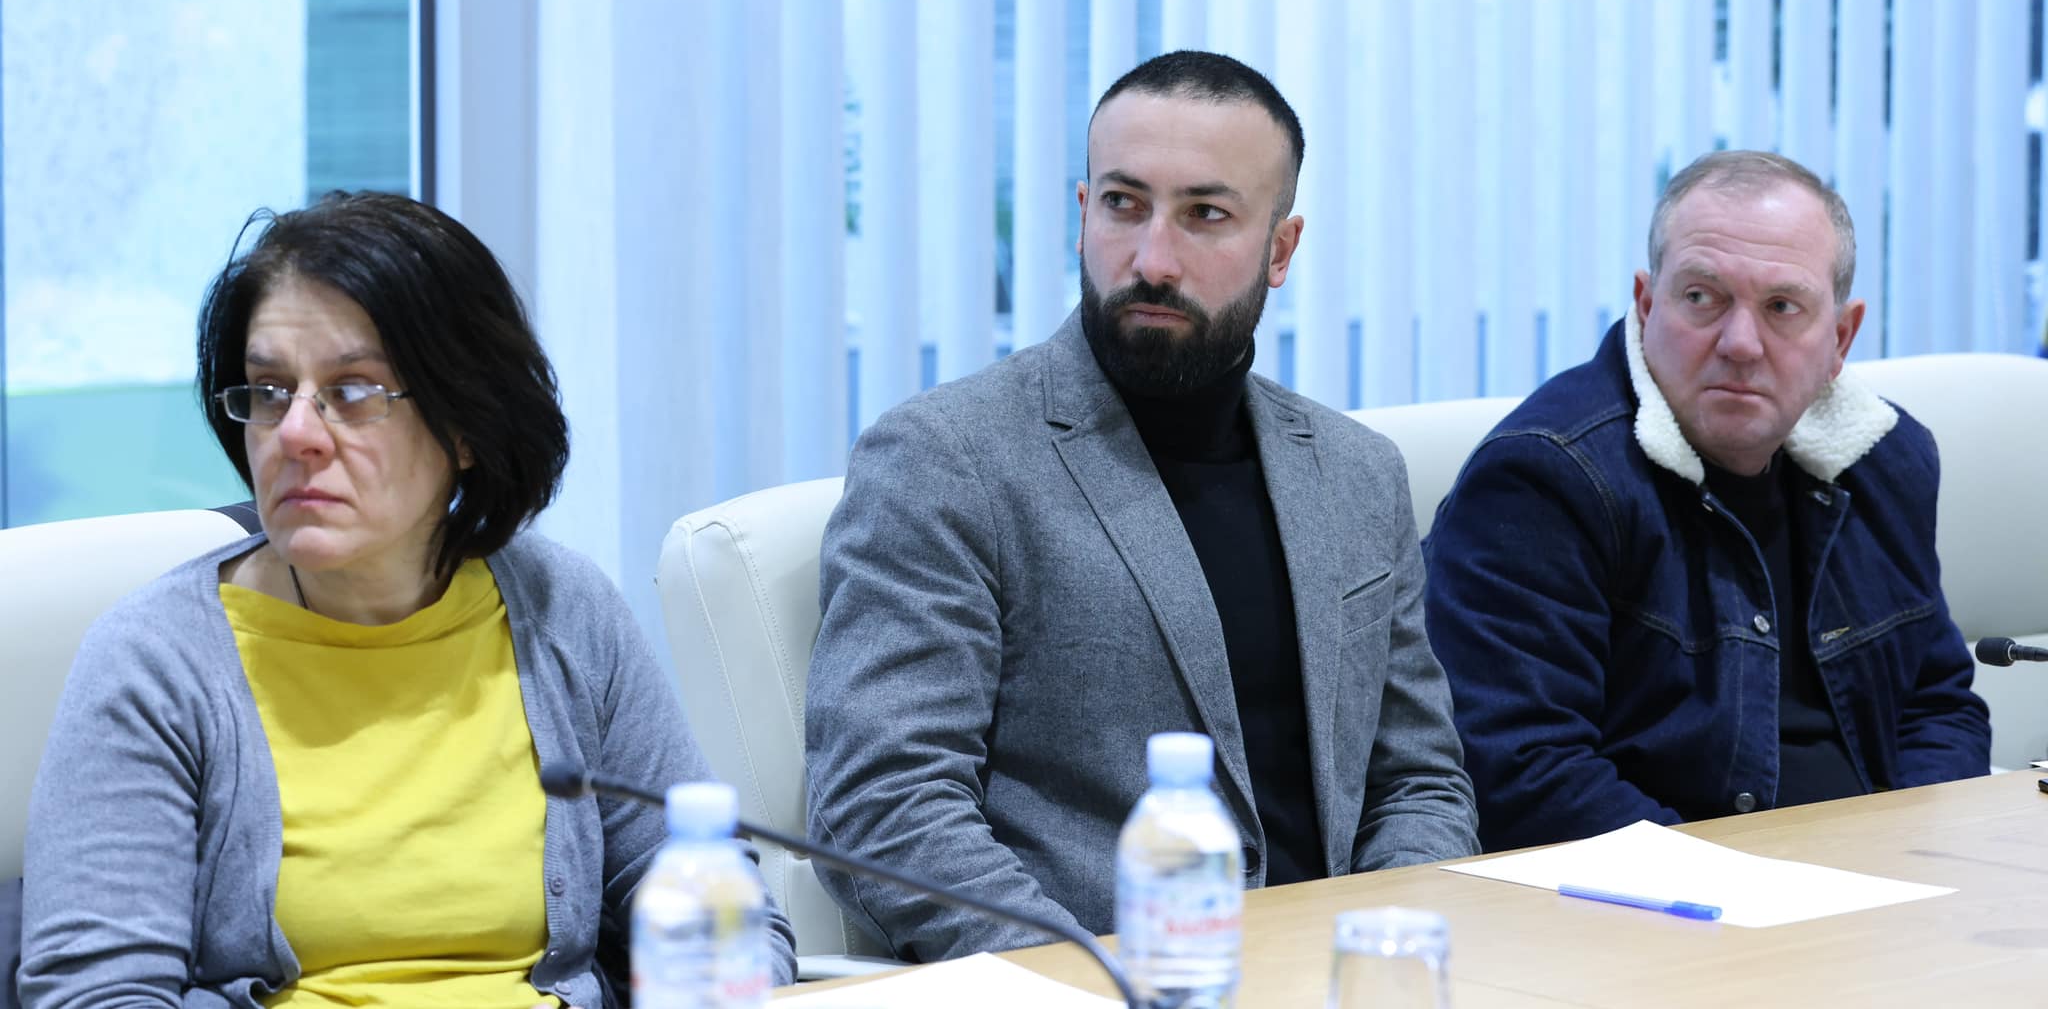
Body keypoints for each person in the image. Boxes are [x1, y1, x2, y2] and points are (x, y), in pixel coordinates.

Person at [19, 192, 796, 1007]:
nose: (295, 434)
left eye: (354, 391)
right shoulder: (155, 665)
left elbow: (720, 908)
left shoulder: (561, 611)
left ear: (466, 428)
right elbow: (95, 995)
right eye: (270, 390)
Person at [806, 51, 1478, 961]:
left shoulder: (1357, 474)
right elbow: (886, 808)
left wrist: (1382, 953)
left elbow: (1419, 782)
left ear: (1280, 249)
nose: (1153, 260)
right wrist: (1096, 983)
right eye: (1124, 205)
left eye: (1206, 215)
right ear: (1083, 215)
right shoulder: (947, 460)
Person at [1425, 151, 1991, 853]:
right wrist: (1748, 890)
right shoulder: (1547, 477)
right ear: (1646, 305)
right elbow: (1521, 771)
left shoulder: (1883, 463)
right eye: (1701, 297)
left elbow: (1937, 706)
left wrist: (1918, 859)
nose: (1741, 344)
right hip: (1661, 896)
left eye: (1782, 308)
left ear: (1840, 339)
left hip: (1875, 879)